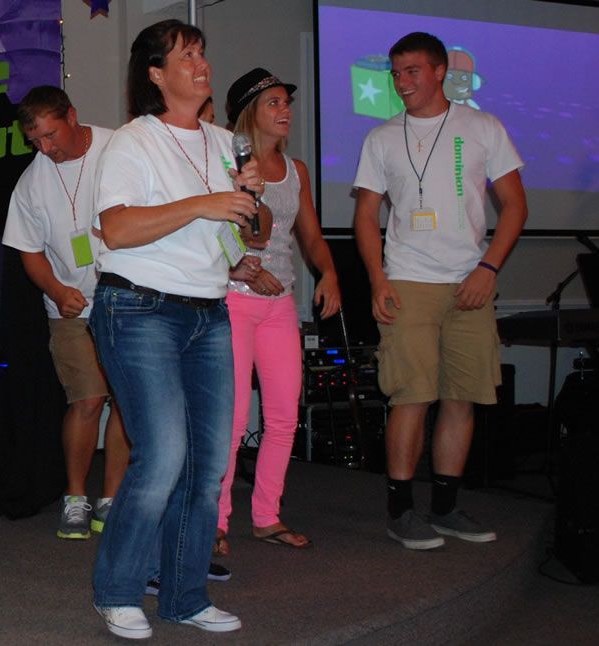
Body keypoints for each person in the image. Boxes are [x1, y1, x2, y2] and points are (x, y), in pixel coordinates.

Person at [90, 19, 263, 639]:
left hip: (208, 310)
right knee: (162, 454)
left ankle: (185, 597)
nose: (201, 63)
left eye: (202, 53)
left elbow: (243, 233)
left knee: (210, 461)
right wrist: (205, 203)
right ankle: (117, 590)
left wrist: (247, 203)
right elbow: (116, 229)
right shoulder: (133, 141)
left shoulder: (222, 141)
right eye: (186, 56)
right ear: (156, 74)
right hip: (138, 309)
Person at [352, 32, 526, 551]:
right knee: (412, 395)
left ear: (439, 72)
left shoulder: (483, 127)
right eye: (396, 73)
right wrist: (378, 279)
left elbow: (515, 206)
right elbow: (365, 216)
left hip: (471, 280)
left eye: (412, 72)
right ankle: (401, 510)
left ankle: (446, 508)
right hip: (408, 279)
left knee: (462, 398)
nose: (402, 82)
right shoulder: (381, 138)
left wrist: (489, 268)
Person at [215, 68, 342, 555]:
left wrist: (328, 273)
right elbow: (219, 230)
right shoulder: (227, 164)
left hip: (279, 303)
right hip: (233, 298)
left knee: (285, 414)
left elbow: (309, 235)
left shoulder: (297, 170)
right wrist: (242, 265)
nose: (285, 110)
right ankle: (218, 518)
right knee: (232, 417)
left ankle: (266, 515)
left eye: (286, 102)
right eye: (273, 103)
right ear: (249, 112)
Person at [2, 85, 130, 540]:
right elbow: (28, 251)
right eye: (35, 141)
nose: (46, 149)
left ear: (73, 116)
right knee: (87, 399)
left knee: (125, 403)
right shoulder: (32, 180)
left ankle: (111, 498)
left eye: (51, 136)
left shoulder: (120, 147)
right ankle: (76, 496)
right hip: (71, 306)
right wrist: (56, 289)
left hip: (128, 299)